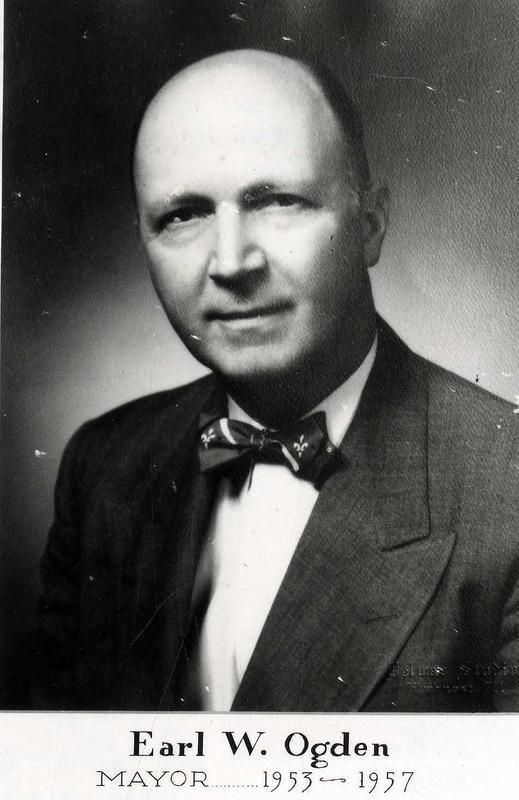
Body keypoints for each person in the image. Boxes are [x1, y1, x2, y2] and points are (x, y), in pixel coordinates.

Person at [38, 48, 518, 712]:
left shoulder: (506, 486)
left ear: (370, 224)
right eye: (183, 215)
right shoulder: (103, 464)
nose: (231, 262)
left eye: (276, 201)